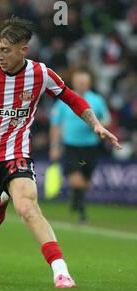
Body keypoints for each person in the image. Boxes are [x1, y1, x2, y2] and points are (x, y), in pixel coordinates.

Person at [0, 17, 121, 288]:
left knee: (27, 206)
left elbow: (71, 97)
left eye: (6, 50)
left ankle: (60, 270)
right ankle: (1, 199)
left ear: (23, 49)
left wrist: (96, 124)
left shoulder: (41, 74)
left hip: (16, 153)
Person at [49, 68, 112, 224]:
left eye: (84, 81)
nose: (82, 84)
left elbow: (107, 120)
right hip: (71, 146)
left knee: (86, 182)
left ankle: (75, 198)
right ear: (74, 82)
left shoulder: (97, 100)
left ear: (89, 83)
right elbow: (55, 125)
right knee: (76, 180)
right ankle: (81, 211)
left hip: (90, 147)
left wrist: (97, 124)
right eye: (79, 81)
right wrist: (55, 146)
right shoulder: (65, 101)